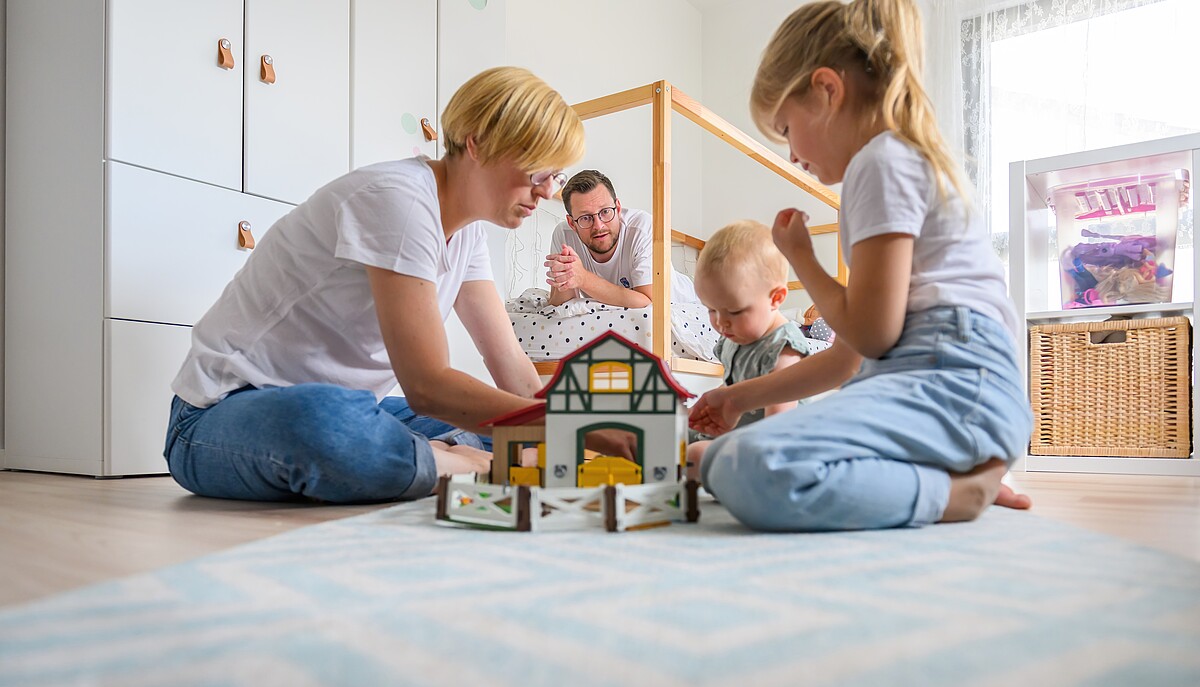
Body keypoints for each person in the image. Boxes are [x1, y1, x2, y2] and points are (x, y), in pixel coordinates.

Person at [163, 66, 631, 504]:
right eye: (539, 173)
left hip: (352, 405)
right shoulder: (399, 201)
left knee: (490, 424)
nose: (548, 191)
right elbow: (428, 385)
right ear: (478, 144)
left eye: (556, 176)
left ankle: (444, 459)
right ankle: (466, 466)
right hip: (220, 416)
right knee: (330, 425)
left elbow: (513, 367)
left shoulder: (467, 232)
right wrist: (578, 429)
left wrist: (571, 431)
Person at [688, 0, 1033, 531]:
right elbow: (845, 361)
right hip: (961, 388)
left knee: (742, 464)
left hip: (955, 381)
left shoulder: (880, 162)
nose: (791, 155)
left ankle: (956, 494)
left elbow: (870, 335)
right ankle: (951, 475)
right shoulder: (894, 163)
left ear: (827, 91)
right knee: (721, 457)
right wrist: (735, 398)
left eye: (785, 129)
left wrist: (802, 259)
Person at [685, 220, 812, 478]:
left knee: (695, 454)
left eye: (733, 311)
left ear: (776, 298)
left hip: (768, 447)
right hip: (733, 431)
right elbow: (734, 385)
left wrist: (724, 446)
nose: (720, 322)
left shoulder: (783, 349)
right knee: (666, 428)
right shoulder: (735, 336)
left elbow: (777, 427)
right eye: (711, 310)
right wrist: (704, 406)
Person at [543, 169, 698, 307]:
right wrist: (566, 277)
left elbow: (648, 303)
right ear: (571, 223)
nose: (598, 226)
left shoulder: (642, 228)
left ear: (617, 209)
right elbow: (562, 307)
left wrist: (584, 278)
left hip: (685, 303)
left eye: (605, 212)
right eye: (585, 218)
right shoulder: (564, 235)